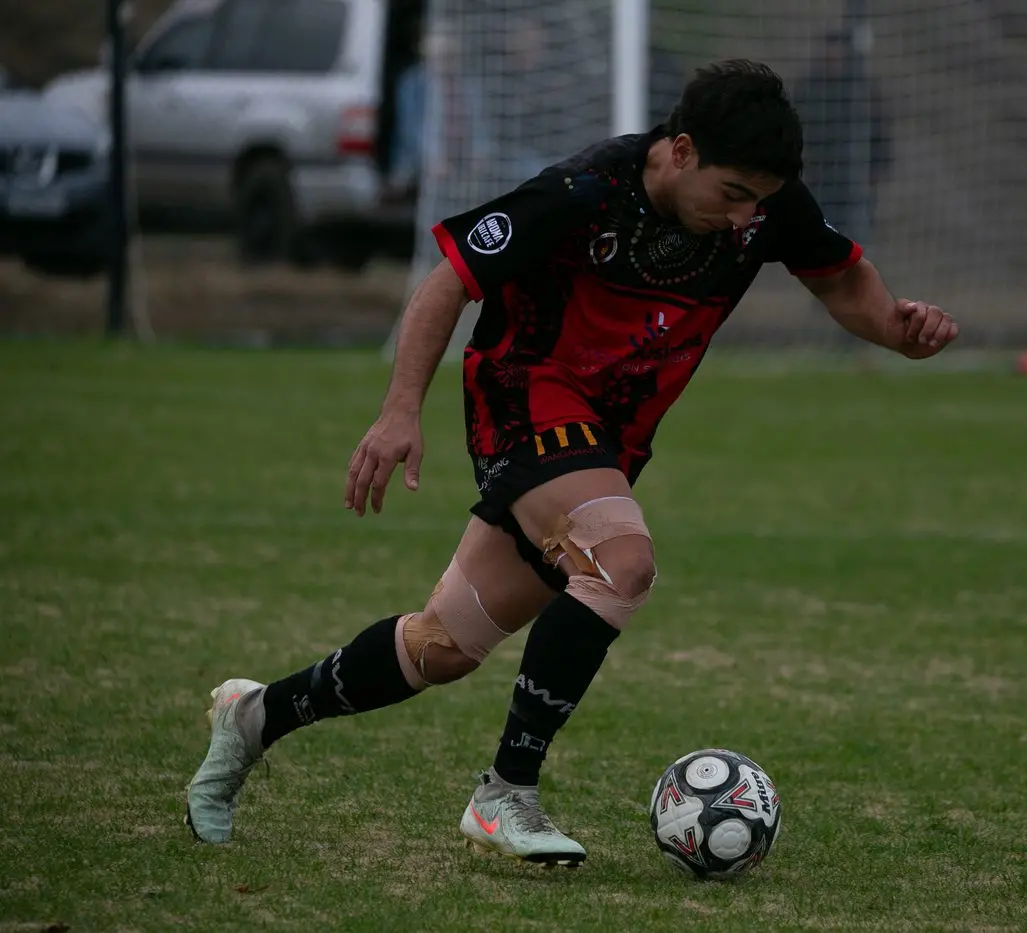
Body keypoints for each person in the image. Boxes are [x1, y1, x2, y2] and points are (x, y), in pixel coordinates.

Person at [183, 60, 959, 867]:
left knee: (443, 646)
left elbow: (843, 281)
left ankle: (256, 715)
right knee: (622, 564)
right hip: (524, 400)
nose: (744, 219)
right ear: (681, 151)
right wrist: (398, 410)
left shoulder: (761, 212)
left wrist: (900, 331)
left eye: (758, 202)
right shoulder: (584, 190)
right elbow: (448, 282)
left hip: (605, 443)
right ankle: (506, 792)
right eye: (732, 195)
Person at [791, 29, 892, 249]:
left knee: (857, 233)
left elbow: (879, 129)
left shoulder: (863, 87)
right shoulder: (808, 88)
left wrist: (879, 166)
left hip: (857, 175)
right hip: (821, 175)